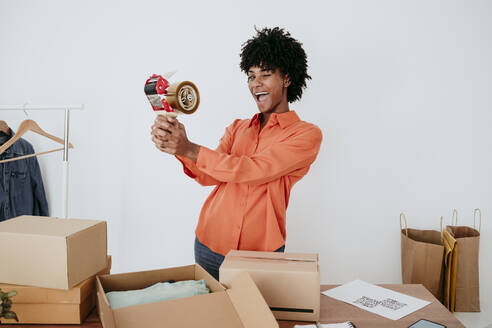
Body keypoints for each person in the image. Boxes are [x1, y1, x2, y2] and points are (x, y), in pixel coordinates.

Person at [151, 27, 322, 280]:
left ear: (286, 78)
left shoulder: (305, 135)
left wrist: (190, 148)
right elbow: (208, 176)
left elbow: (253, 170)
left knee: (254, 318)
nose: (256, 84)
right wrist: (177, 145)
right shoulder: (237, 127)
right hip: (209, 242)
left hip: (259, 253)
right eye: (251, 76)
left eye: (265, 74)